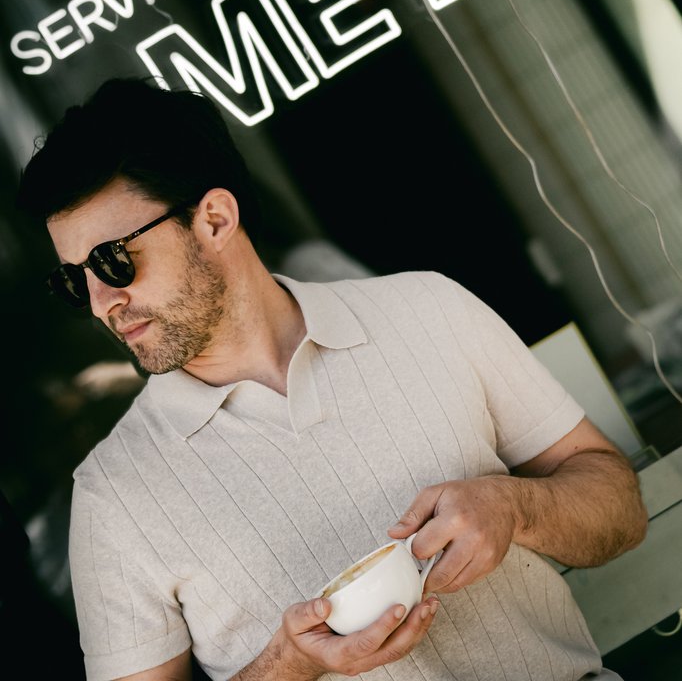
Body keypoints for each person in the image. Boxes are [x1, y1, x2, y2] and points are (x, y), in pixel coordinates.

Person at [16, 75, 648, 681]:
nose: (101, 302)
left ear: (212, 220)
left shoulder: (429, 308)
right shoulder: (113, 494)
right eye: (75, 279)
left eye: (112, 261)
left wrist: (516, 506)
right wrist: (292, 665)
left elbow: (621, 507)